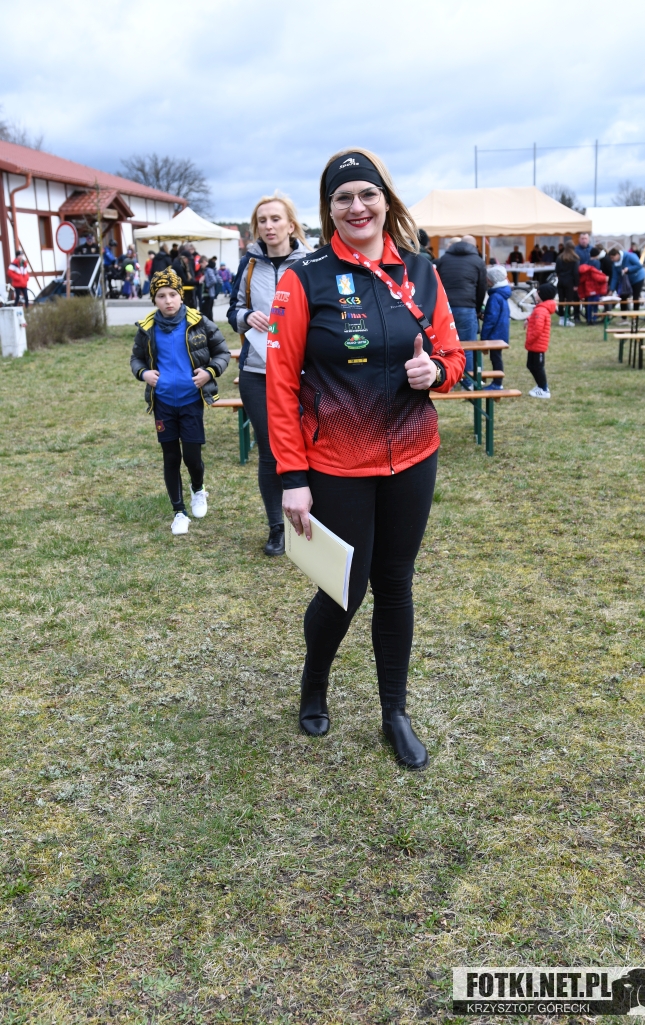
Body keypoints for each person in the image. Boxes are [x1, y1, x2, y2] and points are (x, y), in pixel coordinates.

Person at [266, 148, 465, 769]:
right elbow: (280, 385)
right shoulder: (304, 277)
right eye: (343, 198)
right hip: (336, 465)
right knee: (342, 589)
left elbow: (454, 357)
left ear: (386, 200)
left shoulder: (422, 271)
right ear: (328, 209)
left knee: (396, 583)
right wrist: (292, 477)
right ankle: (314, 682)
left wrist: (436, 372)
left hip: (413, 455)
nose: (357, 207)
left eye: (367, 194)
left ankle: (394, 713)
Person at [228, 192, 309, 556]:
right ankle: (278, 527)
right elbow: (233, 312)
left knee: (309, 446)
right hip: (257, 371)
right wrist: (247, 317)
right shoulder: (248, 265)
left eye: (276, 219)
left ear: (291, 225)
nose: (269, 226)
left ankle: (312, 520)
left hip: (306, 373)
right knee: (270, 451)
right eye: (262, 221)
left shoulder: (310, 262)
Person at [130, 268, 230, 534]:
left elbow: (222, 352)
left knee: (192, 457)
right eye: (161, 296)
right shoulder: (147, 328)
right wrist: (144, 373)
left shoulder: (199, 322)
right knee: (171, 456)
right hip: (163, 403)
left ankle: (198, 489)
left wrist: (210, 371)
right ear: (154, 299)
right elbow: (136, 358)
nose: (168, 301)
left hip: (190, 401)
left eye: (173, 294)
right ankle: (179, 512)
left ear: (181, 295)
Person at [435, 233, 486, 387]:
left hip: (445, 308)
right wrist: (477, 308)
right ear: (474, 246)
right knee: (468, 347)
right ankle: (468, 382)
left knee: (446, 346)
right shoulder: (477, 261)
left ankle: (448, 379)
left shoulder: (444, 259)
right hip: (467, 307)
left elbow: (437, 284)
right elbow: (482, 288)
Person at [480, 265, 510, 387]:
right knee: (496, 358)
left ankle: (497, 383)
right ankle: (497, 382)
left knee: (495, 359)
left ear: (491, 280)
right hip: (501, 333)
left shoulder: (495, 297)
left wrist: (484, 338)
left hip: (494, 335)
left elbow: (491, 320)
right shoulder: (502, 295)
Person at [525, 282, 556, 398]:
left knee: (537, 367)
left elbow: (538, 329)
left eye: (537, 293)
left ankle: (544, 389)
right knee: (530, 365)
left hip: (537, 344)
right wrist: (528, 319)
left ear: (541, 294)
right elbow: (536, 318)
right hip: (535, 344)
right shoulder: (540, 309)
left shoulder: (541, 310)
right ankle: (540, 386)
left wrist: (530, 339)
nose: (535, 295)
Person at [608, 247, 645, 311]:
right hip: (626, 281)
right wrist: (611, 289)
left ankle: (635, 315)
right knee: (623, 296)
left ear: (617, 254)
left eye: (612, 257)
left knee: (635, 297)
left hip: (637, 278)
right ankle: (623, 315)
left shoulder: (629, 256)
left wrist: (629, 269)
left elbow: (639, 265)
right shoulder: (615, 264)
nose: (612, 260)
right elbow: (615, 277)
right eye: (611, 258)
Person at [578, 247, 609, 324]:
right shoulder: (597, 263)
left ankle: (588, 319)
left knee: (589, 304)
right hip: (596, 286)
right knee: (595, 304)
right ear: (597, 255)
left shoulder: (586, 262)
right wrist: (605, 278)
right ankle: (594, 319)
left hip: (588, 286)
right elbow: (596, 275)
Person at [555, 239, 580, 325]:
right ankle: (567, 317)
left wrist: (560, 276)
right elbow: (576, 272)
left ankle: (561, 317)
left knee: (561, 300)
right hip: (570, 281)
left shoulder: (559, 257)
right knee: (569, 301)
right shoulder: (575, 258)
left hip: (561, 280)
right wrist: (576, 284)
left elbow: (557, 270)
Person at [201, 255, 222, 321]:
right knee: (209, 311)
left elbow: (214, 280)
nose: (201, 266)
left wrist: (207, 286)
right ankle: (210, 323)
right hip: (211, 293)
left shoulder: (208, 270)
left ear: (204, 262)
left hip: (209, 293)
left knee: (206, 311)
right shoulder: (211, 269)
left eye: (201, 264)